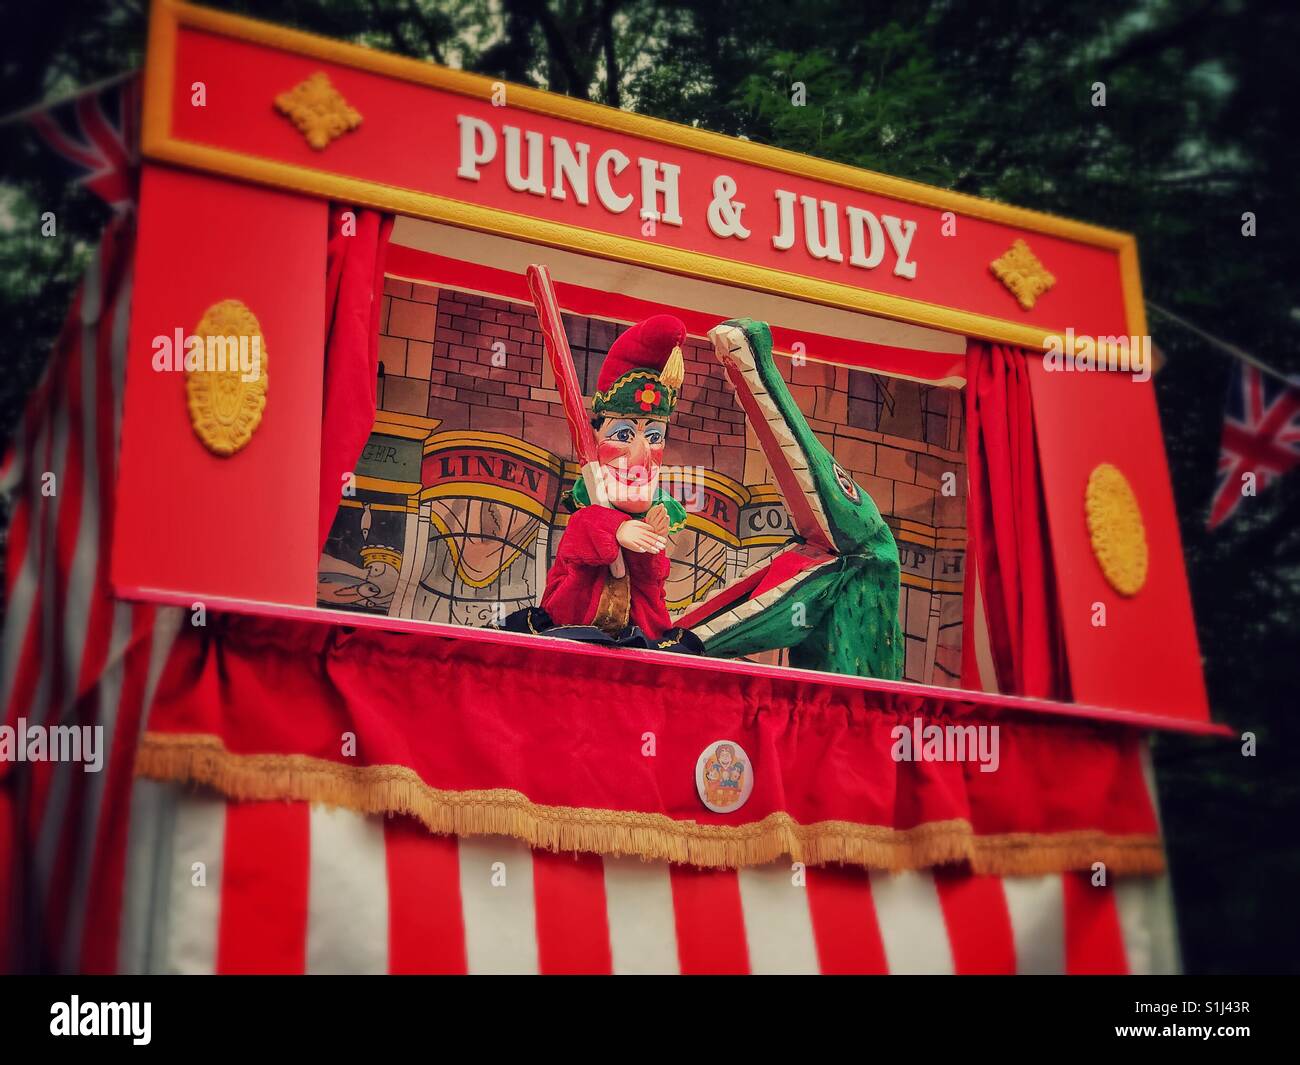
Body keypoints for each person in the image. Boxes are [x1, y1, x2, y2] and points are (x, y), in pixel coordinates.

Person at [504, 314, 701, 652]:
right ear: (595, 441)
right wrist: (616, 531)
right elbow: (582, 539)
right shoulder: (587, 519)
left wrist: (647, 550)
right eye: (623, 434)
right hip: (572, 636)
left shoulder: (654, 513)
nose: (642, 456)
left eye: (654, 437)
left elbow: (653, 602)